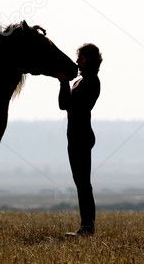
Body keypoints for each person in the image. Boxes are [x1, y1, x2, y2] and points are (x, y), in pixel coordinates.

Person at [57, 43, 101, 236]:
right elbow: (64, 105)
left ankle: (87, 226)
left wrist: (63, 82)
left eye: (81, 58)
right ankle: (86, 225)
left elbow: (67, 104)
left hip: (80, 136)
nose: (77, 62)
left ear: (89, 60)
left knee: (83, 182)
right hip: (76, 135)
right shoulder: (82, 81)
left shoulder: (91, 82)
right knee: (81, 181)